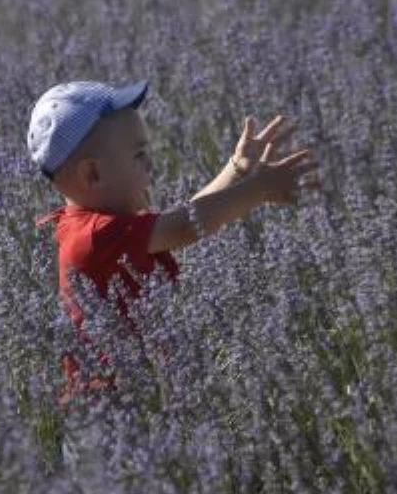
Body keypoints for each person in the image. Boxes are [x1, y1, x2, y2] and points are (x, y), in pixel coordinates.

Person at [30, 80, 317, 404]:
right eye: (138, 155)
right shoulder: (96, 235)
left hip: (138, 393)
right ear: (93, 174)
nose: (151, 164)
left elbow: (186, 217)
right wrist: (258, 189)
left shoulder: (98, 226)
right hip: (113, 408)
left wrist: (236, 170)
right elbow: (186, 226)